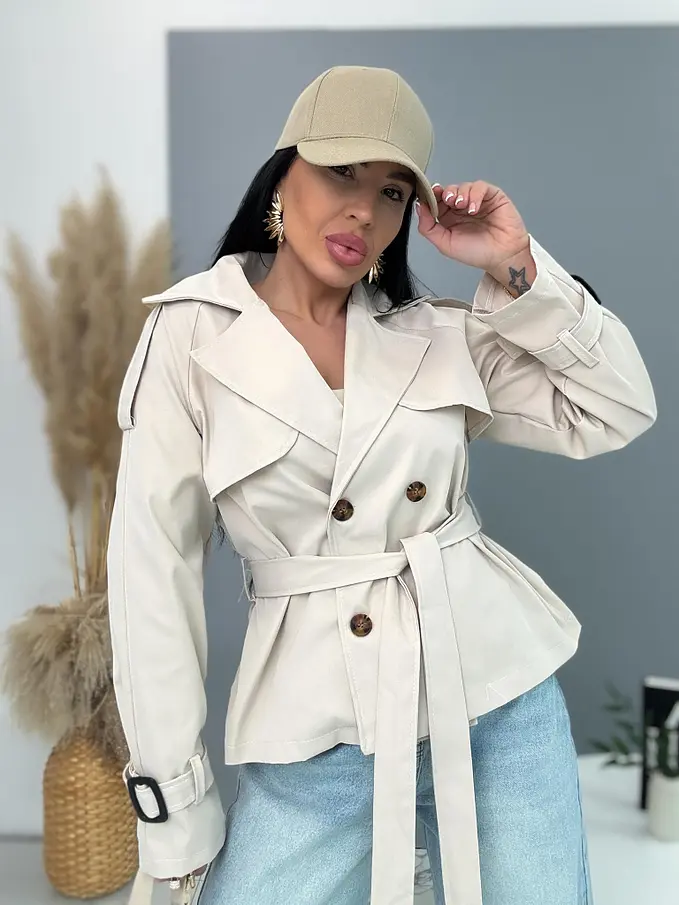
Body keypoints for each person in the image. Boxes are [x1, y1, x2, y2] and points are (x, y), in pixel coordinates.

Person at [107, 66, 656, 905]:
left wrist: (515, 265)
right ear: (281, 174)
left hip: (495, 706)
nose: (364, 211)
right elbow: (152, 577)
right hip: (319, 734)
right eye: (341, 173)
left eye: (392, 193)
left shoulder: (433, 331)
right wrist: (174, 807)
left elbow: (614, 408)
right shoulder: (191, 336)